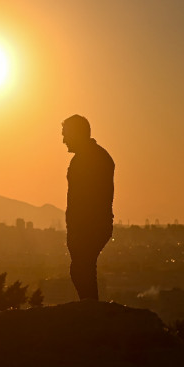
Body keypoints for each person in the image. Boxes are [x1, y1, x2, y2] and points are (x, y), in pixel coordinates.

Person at [62, 114, 115, 301]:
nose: (63, 140)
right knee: (82, 268)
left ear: (77, 134)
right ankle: (90, 306)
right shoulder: (91, 157)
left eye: (66, 135)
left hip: (90, 226)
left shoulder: (91, 158)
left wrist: (78, 227)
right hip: (87, 226)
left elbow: (89, 198)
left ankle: (90, 307)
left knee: (81, 268)